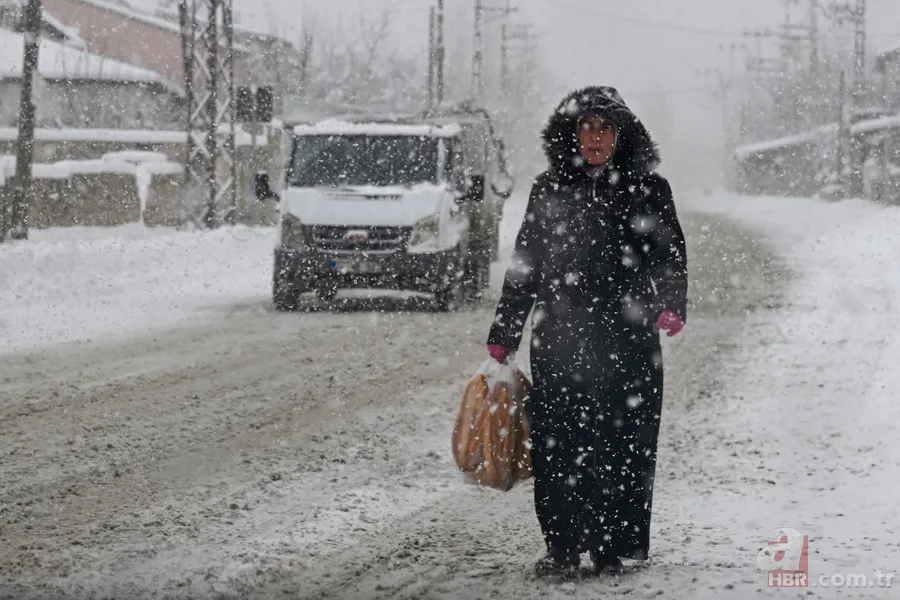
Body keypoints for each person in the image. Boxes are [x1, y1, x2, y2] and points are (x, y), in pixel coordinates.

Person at [486, 86, 688, 578]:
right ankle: (561, 547)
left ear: (621, 136)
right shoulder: (549, 189)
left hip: (628, 336)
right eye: (587, 127)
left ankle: (611, 547)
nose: (595, 138)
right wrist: (506, 329)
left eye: (605, 128)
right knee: (559, 442)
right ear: (572, 134)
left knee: (623, 443)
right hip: (561, 339)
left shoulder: (648, 189)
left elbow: (669, 253)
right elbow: (525, 264)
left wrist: (670, 302)